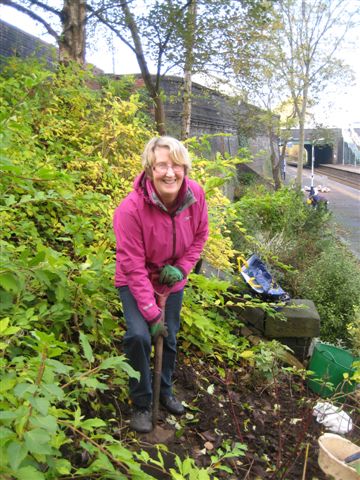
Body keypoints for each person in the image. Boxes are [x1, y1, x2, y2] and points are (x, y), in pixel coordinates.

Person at [113, 136, 209, 433]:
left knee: (169, 337)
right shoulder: (130, 209)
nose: (170, 173)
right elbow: (132, 265)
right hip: (136, 279)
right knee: (140, 336)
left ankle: (164, 391)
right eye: (161, 165)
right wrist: (151, 312)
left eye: (176, 165)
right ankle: (142, 402)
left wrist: (181, 269)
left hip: (172, 280)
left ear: (185, 167)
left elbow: (200, 235)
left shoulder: (195, 195)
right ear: (149, 169)